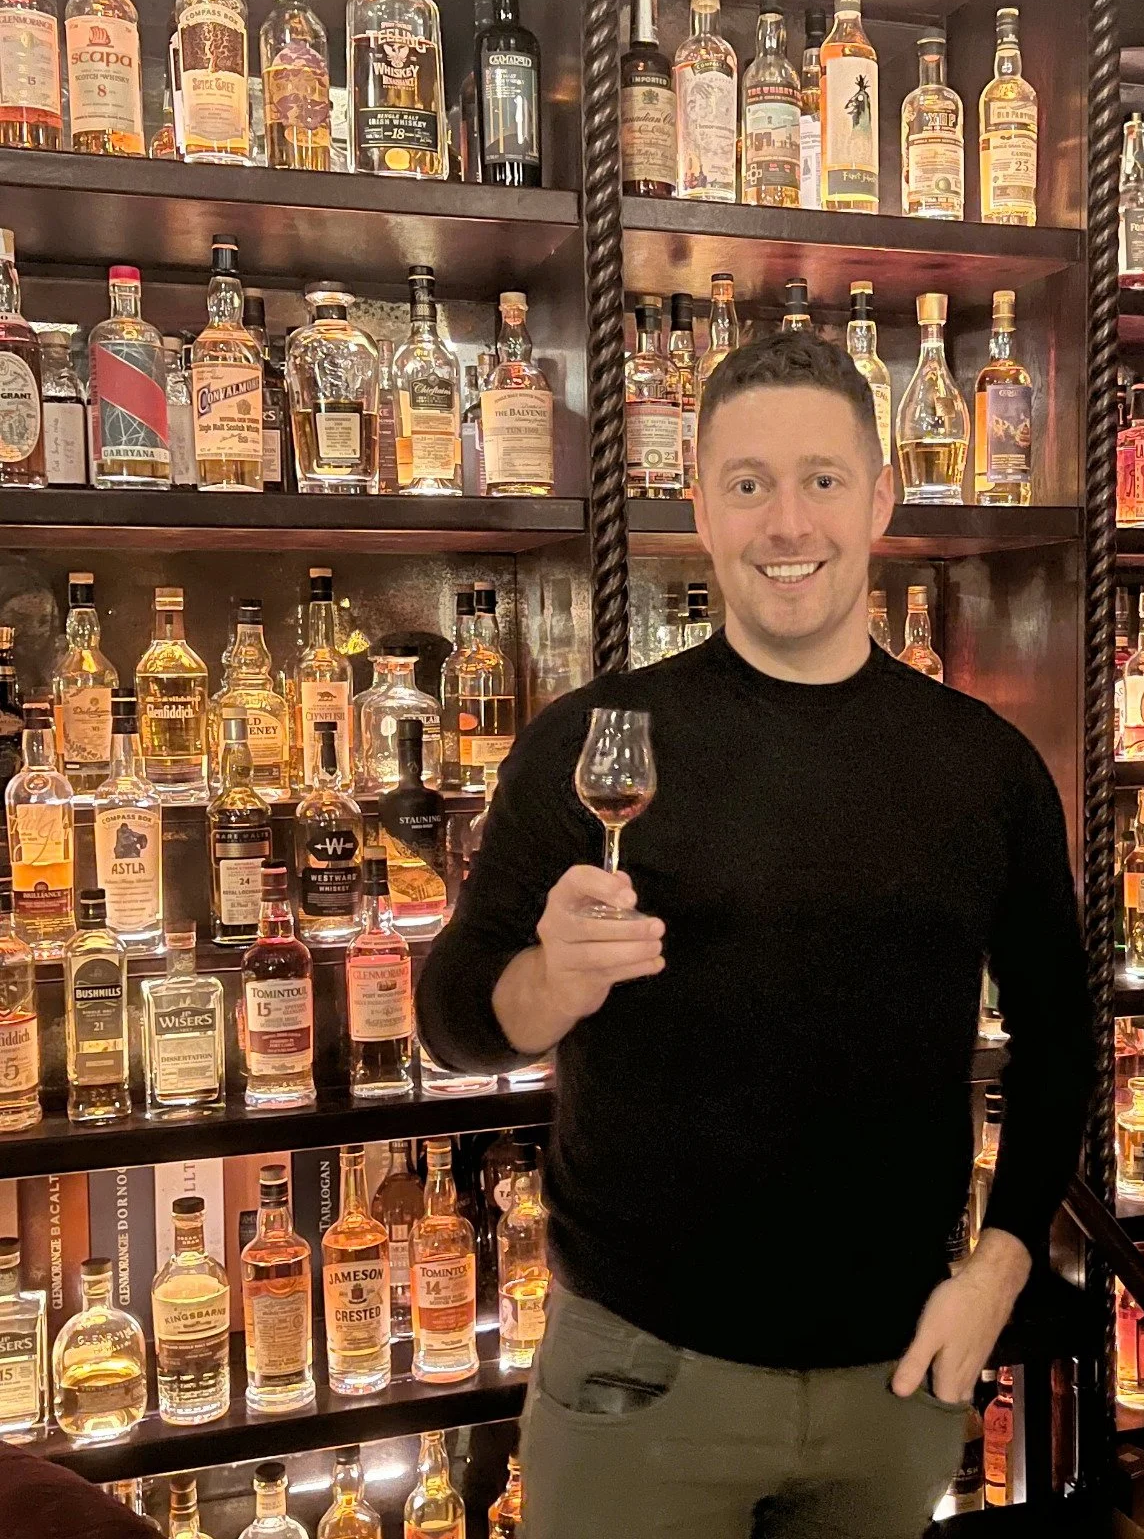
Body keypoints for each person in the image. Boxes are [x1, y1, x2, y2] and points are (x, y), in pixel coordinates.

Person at [417, 330, 1092, 1538]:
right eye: (747, 485)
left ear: (881, 496)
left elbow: (1057, 1035)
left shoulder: (982, 765)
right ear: (700, 508)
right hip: (642, 1378)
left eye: (822, 479)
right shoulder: (598, 741)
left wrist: (998, 1268)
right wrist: (546, 983)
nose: (789, 524)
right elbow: (453, 1016)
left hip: (897, 1381)